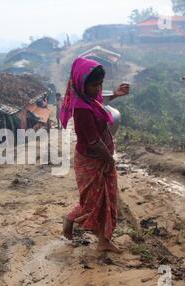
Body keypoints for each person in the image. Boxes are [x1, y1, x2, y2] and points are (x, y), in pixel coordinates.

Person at [60, 57, 130, 254]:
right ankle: (70, 219)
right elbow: (93, 141)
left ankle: (104, 240)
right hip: (92, 160)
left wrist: (116, 94)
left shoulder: (89, 98)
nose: (98, 89)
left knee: (108, 199)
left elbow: (101, 100)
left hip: (102, 158)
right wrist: (109, 159)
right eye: (94, 85)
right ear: (82, 84)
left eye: (100, 84)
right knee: (92, 202)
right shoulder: (82, 109)